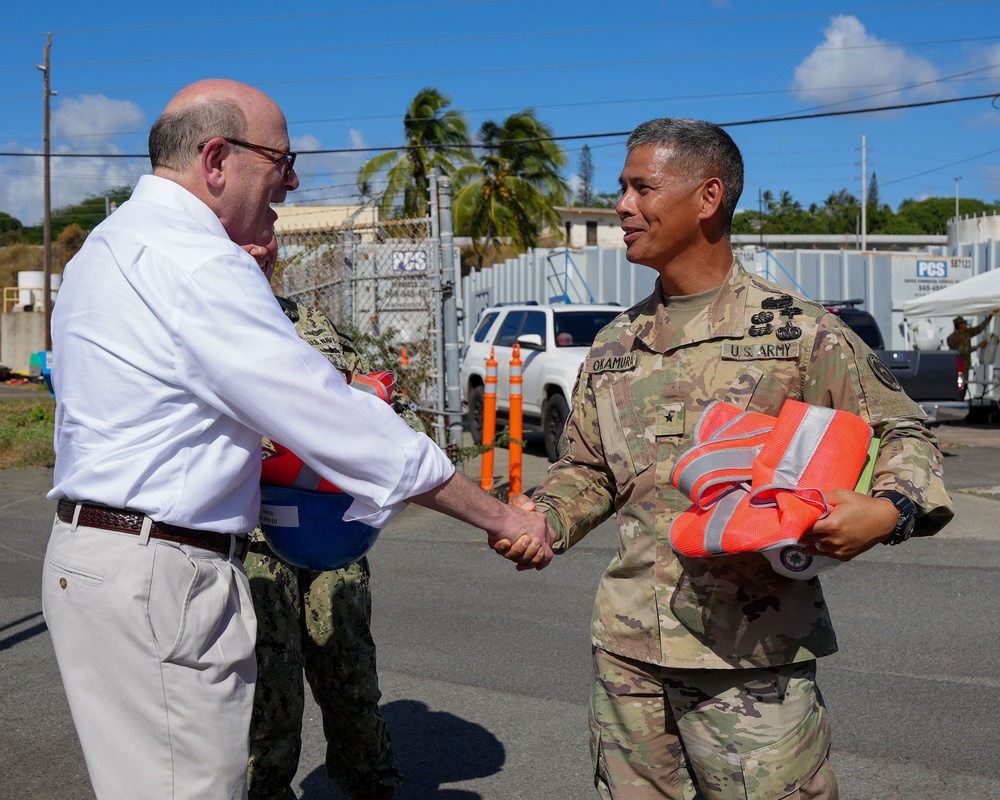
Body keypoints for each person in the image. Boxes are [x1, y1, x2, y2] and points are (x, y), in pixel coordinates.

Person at [42, 78, 552, 800]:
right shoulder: (197, 260)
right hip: (157, 570)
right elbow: (334, 419)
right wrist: (503, 516)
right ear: (216, 159)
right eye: (279, 160)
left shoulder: (109, 244)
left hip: (106, 559)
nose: (294, 178)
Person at [516, 118, 954, 800]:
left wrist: (889, 510)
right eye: (621, 189)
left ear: (708, 196)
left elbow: (906, 435)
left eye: (641, 187)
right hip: (628, 651)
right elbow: (588, 468)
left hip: (749, 659)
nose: (622, 206)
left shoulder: (799, 334)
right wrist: (545, 518)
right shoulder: (614, 345)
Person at [245, 236, 404, 800]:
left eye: (269, 251)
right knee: (270, 691)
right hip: (258, 546)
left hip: (335, 535)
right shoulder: (217, 325)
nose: (261, 257)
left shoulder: (308, 321)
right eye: (247, 246)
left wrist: (375, 399)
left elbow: (365, 401)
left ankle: (372, 785)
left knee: (352, 679)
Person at [946, 313, 996, 387]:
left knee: (964, 385)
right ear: (960, 325)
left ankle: (960, 397)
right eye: (964, 323)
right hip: (958, 367)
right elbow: (963, 350)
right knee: (960, 386)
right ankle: (958, 398)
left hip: (965, 366)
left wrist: (989, 318)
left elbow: (979, 328)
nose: (966, 324)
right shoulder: (953, 338)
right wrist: (978, 346)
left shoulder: (967, 333)